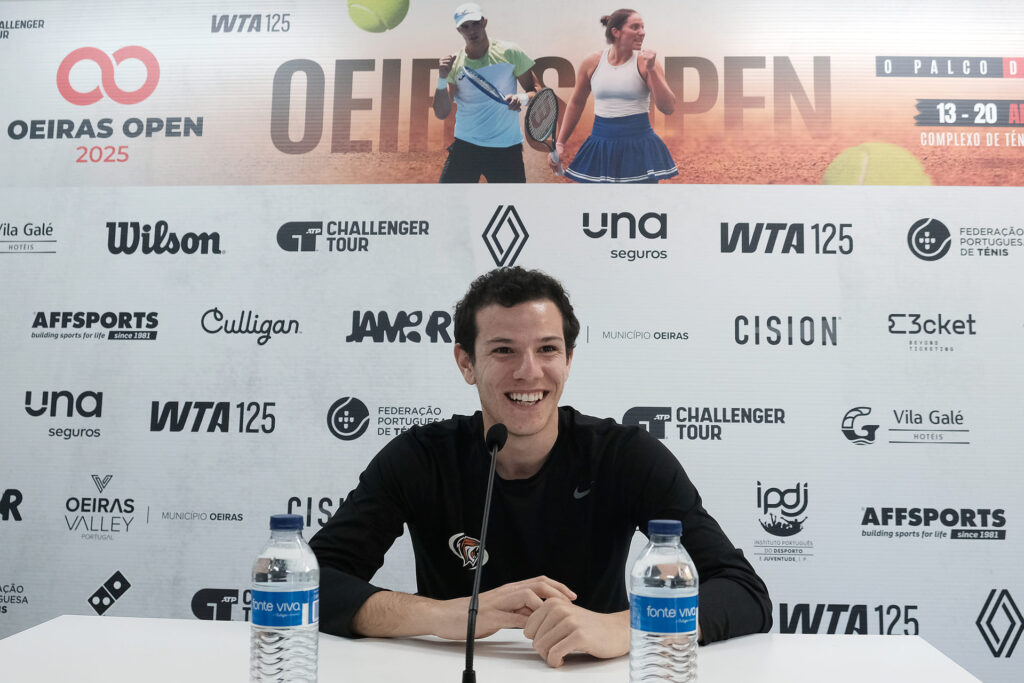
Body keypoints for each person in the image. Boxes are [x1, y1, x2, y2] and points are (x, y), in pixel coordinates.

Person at [310, 267, 771, 668]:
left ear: (568, 360)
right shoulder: (421, 457)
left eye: (547, 349)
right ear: (466, 362)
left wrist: (628, 628)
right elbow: (312, 582)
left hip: (589, 673)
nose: (529, 372)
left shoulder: (624, 455)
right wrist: (447, 614)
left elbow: (743, 591)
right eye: (504, 350)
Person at [553, 9, 678, 183]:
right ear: (616, 32)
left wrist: (651, 69)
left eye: (643, 27)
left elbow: (668, 107)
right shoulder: (592, 62)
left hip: (639, 146)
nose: (642, 32)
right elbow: (576, 103)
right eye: (635, 27)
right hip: (600, 145)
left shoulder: (647, 63)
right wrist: (560, 143)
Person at [433, 3, 540, 183]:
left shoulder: (510, 52)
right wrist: (442, 78)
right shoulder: (454, 63)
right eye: (465, 26)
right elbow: (441, 112)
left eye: (475, 23)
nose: (471, 30)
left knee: (512, 201)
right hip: (466, 147)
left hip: (506, 149)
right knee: (448, 201)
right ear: (459, 30)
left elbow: (536, 91)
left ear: (484, 22)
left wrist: (521, 98)